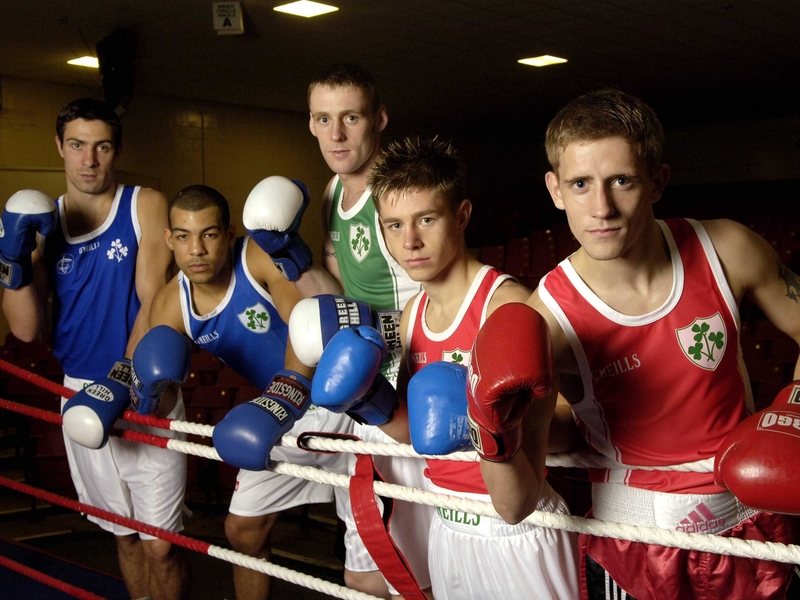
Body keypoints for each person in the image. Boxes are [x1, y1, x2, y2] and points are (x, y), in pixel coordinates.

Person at [476, 89, 800, 599]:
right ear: (555, 189)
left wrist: (796, 407)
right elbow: (515, 505)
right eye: (580, 184)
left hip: (750, 530)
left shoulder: (726, 249)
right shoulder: (548, 318)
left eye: (621, 181)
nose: (601, 207)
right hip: (635, 549)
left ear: (657, 182)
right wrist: (491, 432)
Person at [367, 136, 578, 599]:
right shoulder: (412, 316)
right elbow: (417, 432)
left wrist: (486, 421)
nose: (410, 241)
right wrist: (367, 401)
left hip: (517, 531)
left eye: (426, 219)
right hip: (446, 524)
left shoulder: (507, 307)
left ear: (461, 216)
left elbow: (566, 428)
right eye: (394, 225)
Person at [138, 182, 365, 600]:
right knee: (243, 531)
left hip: (346, 405)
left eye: (208, 234)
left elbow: (303, 319)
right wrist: (152, 393)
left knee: (370, 560)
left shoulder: (255, 256)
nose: (197, 250)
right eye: (184, 237)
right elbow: (166, 395)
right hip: (286, 416)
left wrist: (289, 389)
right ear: (169, 239)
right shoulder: (170, 303)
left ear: (227, 234)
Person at [0, 98, 189, 600]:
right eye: (78, 146)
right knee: (122, 536)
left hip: (143, 385)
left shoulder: (143, 203)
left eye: (101, 147)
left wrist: (123, 376)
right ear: (59, 147)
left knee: (161, 545)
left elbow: (152, 299)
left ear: (116, 150)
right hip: (79, 390)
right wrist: (13, 262)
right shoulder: (44, 221)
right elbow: (24, 330)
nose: (89, 160)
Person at [307, 63, 431, 598]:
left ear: (378, 119)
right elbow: (337, 291)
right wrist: (295, 265)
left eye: (350, 118)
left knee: (412, 560)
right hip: (366, 384)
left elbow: (441, 298)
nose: (336, 134)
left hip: (416, 386)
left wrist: (367, 330)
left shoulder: (399, 195)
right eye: (323, 119)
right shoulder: (334, 190)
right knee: (367, 564)